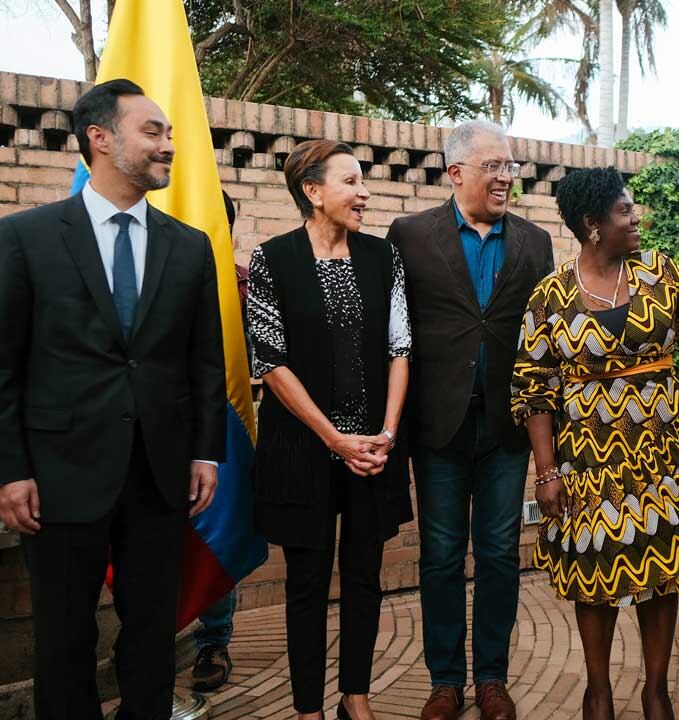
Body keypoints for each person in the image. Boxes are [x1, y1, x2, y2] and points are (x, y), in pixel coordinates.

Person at [0, 78, 225, 719]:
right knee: (65, 635)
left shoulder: (189, 246)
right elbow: (4, 367)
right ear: (99, 138)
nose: (168, 146)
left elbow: (204, 361)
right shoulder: (26, 239)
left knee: (153, 630)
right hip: (59, 474)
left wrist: (206, 453)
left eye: (170, 135)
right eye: (153, 132)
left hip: (160, 474)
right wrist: (10, 469)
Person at [512, 166, 679, 720]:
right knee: (593, 575)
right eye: (624, 210)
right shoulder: (551, 295)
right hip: (586, 461)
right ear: (593, 225)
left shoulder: (662, 274)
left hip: (663, 458)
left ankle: (656, 689)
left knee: (661, 572)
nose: (636, 217)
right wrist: (546, 473)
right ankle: (598, 691)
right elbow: (533, 387)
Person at [385, 120, 554, 720]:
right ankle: (444, 682)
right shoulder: (408, 235)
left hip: (507, 429)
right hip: (439, 426)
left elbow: (541, 344)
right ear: (455, 172)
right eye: (494, 167)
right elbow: (394, 334)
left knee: (502, 553)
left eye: (511, 166)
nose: (507, 177)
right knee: (440, 555)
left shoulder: (536, 244)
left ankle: (492, 680)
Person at [248, 139, 413, 720]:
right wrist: (334, 439)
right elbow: (269, 364)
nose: (364, 192)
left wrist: (386, 436)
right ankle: (307, 709)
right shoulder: (273, 259)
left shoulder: (382, 258)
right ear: (313, 192)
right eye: (351, 182)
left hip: (373, 450)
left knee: (365, 575)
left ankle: (356, 697)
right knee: (306, 583)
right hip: (303, 450)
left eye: (363, 181)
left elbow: (400, 348)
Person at [190, 190, 245, 693]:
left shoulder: (242, 286)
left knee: (217, 529)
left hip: (223, 435)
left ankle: (214, 639)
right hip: (156, 431)